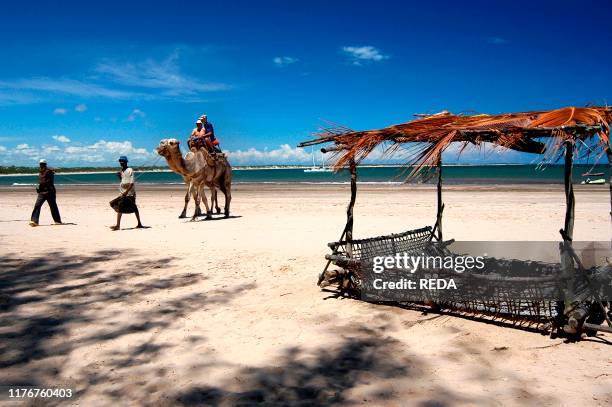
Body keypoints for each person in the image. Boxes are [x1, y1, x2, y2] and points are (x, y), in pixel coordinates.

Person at [109, 156, 144, 230]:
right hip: (123, 193)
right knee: (115, 204)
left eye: (123, 161)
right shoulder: (122, 171)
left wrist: (126, 192)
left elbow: (131, 183)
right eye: (120, 161)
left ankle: (118, 225)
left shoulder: (130, 170)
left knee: (130, 208)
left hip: (129, 193)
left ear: (126, 162)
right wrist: (119, 176)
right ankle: (139, 224)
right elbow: (123, 180)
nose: (121, 162)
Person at [30, 159, 62, 226]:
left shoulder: (49, 171)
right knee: (37, 205)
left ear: (45, 164)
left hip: (50, 192)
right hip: (42, 192)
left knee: (53, 206)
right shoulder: (41, 172)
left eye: (43, 164)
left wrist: (51, 169)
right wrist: (39, 188)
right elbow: (41, 182)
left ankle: (58, 221)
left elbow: (54, 170)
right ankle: (34, 221)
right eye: (40, 164)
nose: (41, 165)